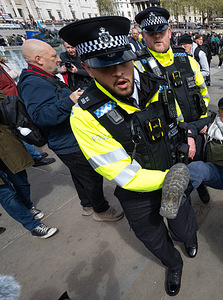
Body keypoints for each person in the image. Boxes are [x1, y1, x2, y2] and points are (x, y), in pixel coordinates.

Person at [60, 16, 198, 297]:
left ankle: (189, 239)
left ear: (131, 58)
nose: (119, 74)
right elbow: (123, 173)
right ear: (87, 67)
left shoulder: (158, 83)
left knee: (184, 225)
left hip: (174, 172)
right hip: (140, 191)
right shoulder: (85, 115)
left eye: (123, 63)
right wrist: (172, 178)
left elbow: (178, 119)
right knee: (154, 238)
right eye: (106, 67)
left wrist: (189, 136)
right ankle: (173, 263)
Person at [18, 39, 123, 222]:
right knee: (92, 176)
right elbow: (40, 116)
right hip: (68, 143)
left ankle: (87, 205)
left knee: (79, 175)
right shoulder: (33, 83)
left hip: (69, 140)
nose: (59, 59)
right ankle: (101, 210)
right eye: (53, 55)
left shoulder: (42, 77)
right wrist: (70, 100)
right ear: (39, 59)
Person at [134, 6, 211, 202]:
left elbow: (202, 92)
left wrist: (202, 122)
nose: (157, 37)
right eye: (151, 33)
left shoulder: (186, 59)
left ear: (169, 32)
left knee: (199, 163)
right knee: (176, 176)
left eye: (161, 32)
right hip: (168, 135)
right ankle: (181, 200)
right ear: (143, 35)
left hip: (196, 128)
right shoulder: (137, 67)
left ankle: (201, 186)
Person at [0, 94, 58, 238]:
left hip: (6, 143)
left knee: (22, 182)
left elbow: (6, 101)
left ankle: (27, 206)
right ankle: (33, 226)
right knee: (7, 194)